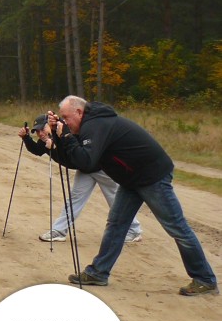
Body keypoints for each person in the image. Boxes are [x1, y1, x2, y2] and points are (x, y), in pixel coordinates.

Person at [49, 95, 217, 295]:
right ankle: (98, 273)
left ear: (79, 112)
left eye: (66, 117)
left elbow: (86, 161)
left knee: (177, 227)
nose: (65, 121)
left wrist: (67, 137)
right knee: (116, 224)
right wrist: (59, 137)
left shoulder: (95, 125)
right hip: (132, 178)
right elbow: (77, 161)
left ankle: (205, 279)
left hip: (152, 175)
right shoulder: (89, 126)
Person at [18, 115, 142, 244]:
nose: (40, 133)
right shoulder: (46, 140)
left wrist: (54, 148)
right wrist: (26, 138)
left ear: (51, 125)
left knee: (115, 199)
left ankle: (134, 230)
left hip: (101, 167)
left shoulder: (66, 132)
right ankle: (59, 231)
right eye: (37, 131)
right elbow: (37, 150)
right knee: (74, 200)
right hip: (85, 170)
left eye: (42, 129)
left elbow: (74, 153)